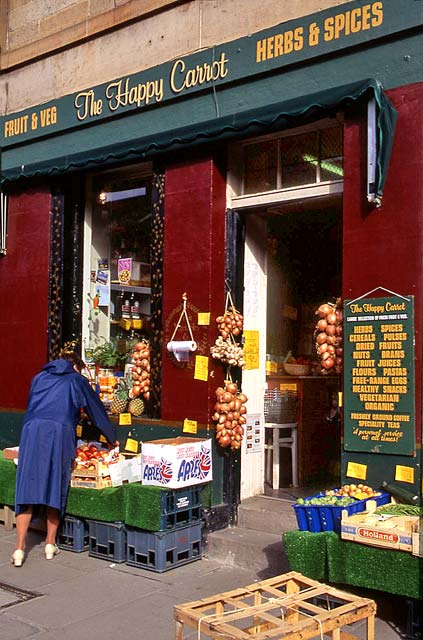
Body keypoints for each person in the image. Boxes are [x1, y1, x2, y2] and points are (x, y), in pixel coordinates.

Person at [11, 348, 117, 567]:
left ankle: (19, 549)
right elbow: (96, 410)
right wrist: (111, 437)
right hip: (59, 433)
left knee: (27, 487)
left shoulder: (39, 377)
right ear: (76, 367)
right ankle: (50, 543)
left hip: (32, 432)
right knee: (55, 485)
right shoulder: (76, 379)